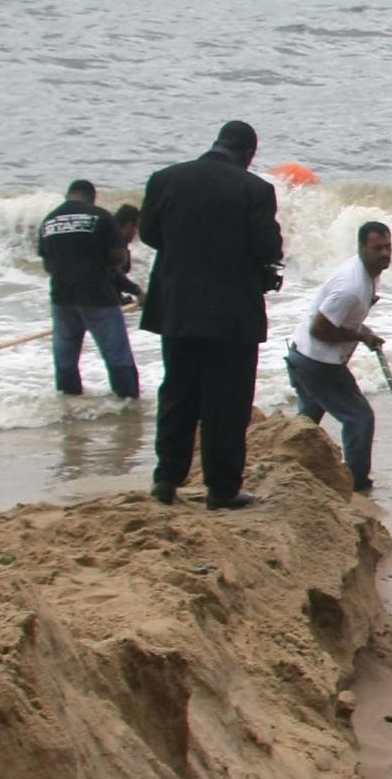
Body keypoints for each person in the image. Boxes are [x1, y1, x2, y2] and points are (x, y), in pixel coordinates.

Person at [139, 120, 283, 509]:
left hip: (178, 307)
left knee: (178, 392)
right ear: (249, 154)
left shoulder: (165, 179)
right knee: (228, 402)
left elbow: (150, 235)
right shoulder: (255, 189)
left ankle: (167, 479)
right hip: (231, 312)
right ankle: (221, 489)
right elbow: (268, 248)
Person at [285, 222, 391, 494]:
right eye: (377, 248)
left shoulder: (369, 274)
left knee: (307, 421)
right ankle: (356, 485)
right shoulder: (351, 286)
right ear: (361, 248)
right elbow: (319, 329)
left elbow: (345, 320)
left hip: (301, 355)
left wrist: (364, 334)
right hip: (317, 362)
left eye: (387, 247)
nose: (384, 253)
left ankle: (289, 468)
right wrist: (358, 337)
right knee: (359, 418)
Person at [36, 179, 140, 398]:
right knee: (117, 356)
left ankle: (69, 404)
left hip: (62, 298)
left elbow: (48, 264)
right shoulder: (101, 217)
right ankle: (128, 404)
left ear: (69, 195)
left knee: (65, 359)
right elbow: (118, 256)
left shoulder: (48, 221)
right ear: (93, 196)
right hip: (97, 296)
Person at [111, 204, 145, 309]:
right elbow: (114, 273)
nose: (136, 233)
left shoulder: (108, 237)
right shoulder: (115, 244)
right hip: (102, 302)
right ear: (129, 225)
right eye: (136, 228)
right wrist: (137, 291)